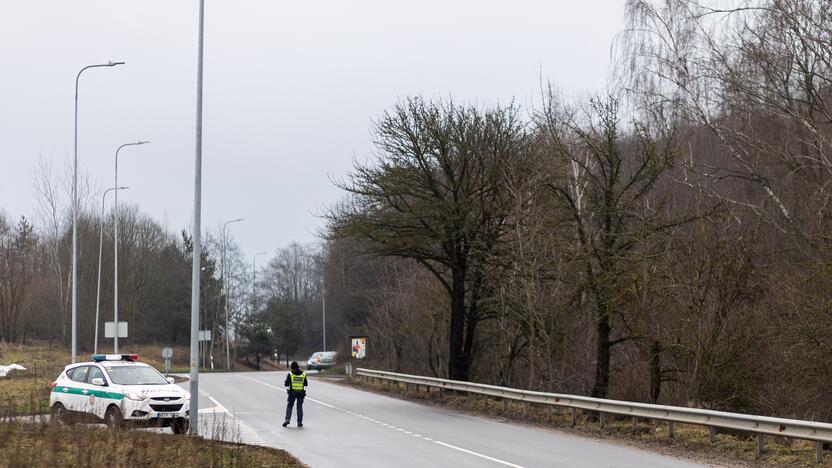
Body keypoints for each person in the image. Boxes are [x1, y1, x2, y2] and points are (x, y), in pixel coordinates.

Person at [283, 361, 308, 427]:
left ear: (292, 367)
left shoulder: (290, 374)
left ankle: (287, 419)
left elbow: (286, 384)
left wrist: (287, 382)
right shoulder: (303, 374)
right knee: (299, 407)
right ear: (298, 367)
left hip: (292, 393)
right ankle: (299, 422)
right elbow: (306, 384)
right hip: (301, 393)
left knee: (290, 406)